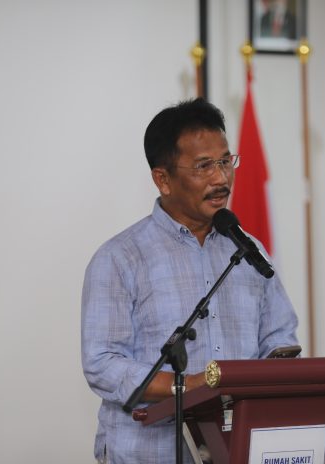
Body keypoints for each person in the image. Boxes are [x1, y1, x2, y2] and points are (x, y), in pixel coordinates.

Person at [81, 98, 299, 463]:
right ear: (163, 179)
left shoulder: (249, 251)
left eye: (225, 161)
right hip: (148, 454)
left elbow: (280, 339)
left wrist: (277, 369)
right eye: (204, 166)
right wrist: (189, 385)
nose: (221, 178)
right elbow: (102, 363)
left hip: (232, 450)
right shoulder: (120, 258)